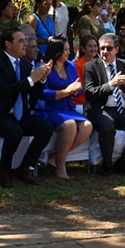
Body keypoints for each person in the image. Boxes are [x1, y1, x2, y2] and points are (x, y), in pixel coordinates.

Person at [0, 28, 55, 187]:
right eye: (21, 41)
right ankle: (4, 171)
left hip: (19, 113)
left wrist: (41, 80)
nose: (25, 44)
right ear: (8, 44)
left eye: (25, 40)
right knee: (15, 131)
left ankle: (25, 167)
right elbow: (4, 90)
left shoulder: (24, 65)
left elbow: (32, 94)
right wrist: (31, 79)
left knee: (45, 128)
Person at [83, 33, 125, 177]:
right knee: (107, 127)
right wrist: (110, 85)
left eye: (109, 48)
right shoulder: (90, 66)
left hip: (123, 109)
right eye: (102, 48)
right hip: (101, 109)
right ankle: (106, 165)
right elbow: (89, 92)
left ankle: (124, 162)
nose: (105, 52)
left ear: (117, 49)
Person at [33, 38, 92, 179]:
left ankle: (55, 156)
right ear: (56, 50)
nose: (69, 52)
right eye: (65, 49)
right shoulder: (43, 66)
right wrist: (66, 91)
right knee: (70, 125)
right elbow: (42, 94)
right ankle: (61, 165)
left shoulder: (70, 66)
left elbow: (76, 89)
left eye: (68, 49)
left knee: (87, 126)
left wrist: (77, 89)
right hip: (48, 108)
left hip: (66, 107)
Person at [74, 35, 99, 106]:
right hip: (81, 102)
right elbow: (80, 86)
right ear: (83, 48)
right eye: (90, 46)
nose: (93, 49)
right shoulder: (77, 65)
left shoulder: (100, 63)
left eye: (95, 46)